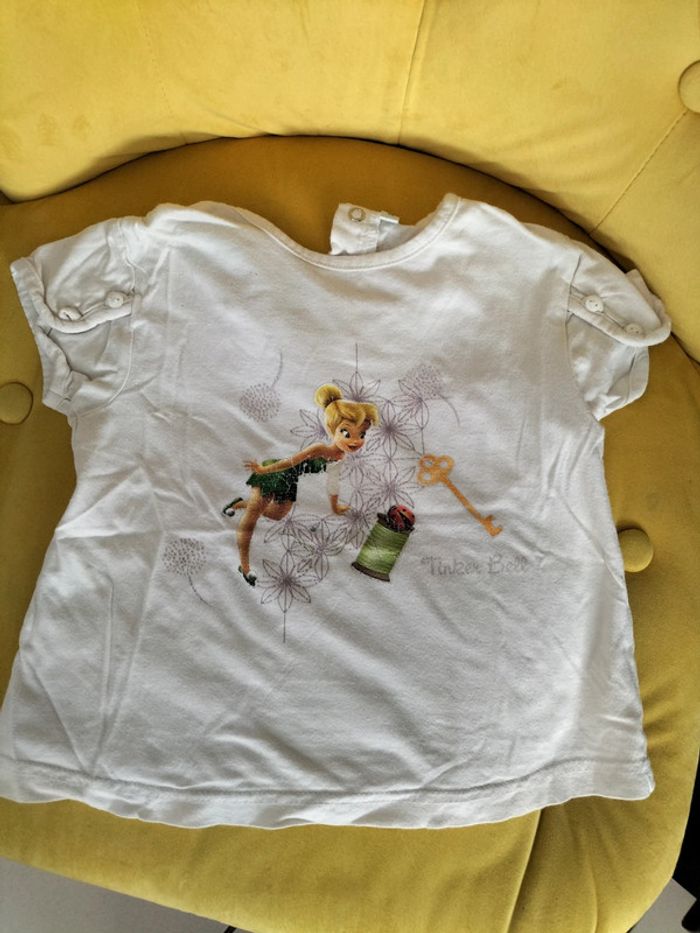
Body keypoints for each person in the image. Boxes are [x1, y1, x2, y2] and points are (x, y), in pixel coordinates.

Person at [222, 382, 380, 586]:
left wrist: (335, 506)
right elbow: (291, 461)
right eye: (347, 433)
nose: (355, 441)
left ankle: (239, 504)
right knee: (252, 517)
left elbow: (332, 482)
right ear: (332, 429)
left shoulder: (339, 456)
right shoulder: (320, 448)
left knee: (277, 514)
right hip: (275, 473)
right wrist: (263, 470)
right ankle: (245, 567)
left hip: (289, 480)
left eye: (362, 434)